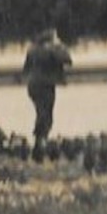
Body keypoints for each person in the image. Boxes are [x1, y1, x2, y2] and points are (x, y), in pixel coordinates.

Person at [20, 27, 73, 156]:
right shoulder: (52, 50)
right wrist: (59, 45)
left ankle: (39, 140)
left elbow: (26, 68)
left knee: (41, 112)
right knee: (46, 114)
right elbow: (68, 60)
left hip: (32, 86)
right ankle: (40, 141)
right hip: (46, 86)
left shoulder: (31, 49)